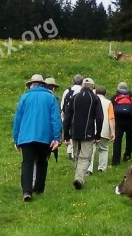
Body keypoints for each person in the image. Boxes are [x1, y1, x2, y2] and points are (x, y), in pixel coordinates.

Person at [12, 73, 62, 202]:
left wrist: (16, 138)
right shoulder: (50, 98)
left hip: (26, 137)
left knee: (27, 163)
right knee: (42, 162)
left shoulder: (24, 97)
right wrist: (56, 137)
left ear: (31, 85)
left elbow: (18, 119)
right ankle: (39, 189)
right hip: (44, 136)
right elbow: (55, 119)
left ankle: (27, 191)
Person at [63, 77, 103, 190]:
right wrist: (98, 134)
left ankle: (78, 177)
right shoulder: (94, 98)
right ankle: (79, 179)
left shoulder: (74, 98)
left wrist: (66, 135)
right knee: (85, 158)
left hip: (75, 133)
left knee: (76, 156)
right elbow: (99, 118)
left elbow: (67, 117)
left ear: (82, 86)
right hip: (88, 132)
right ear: (92, 87)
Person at [111, 81, 132, 165]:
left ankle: (116, 160)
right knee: (130, 139)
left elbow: (110, 110)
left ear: (118, 88)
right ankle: (127, 155)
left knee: (117, 141)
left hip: (118, 122)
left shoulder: (114, 98)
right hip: (130, 122)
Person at [87, 86, 115, 174]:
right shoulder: (108, 103)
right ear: (105, 94)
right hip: (104, 129)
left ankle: (89, 169)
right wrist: (113, 132)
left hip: (91, 128)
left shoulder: (91, 101)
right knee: (104, 149)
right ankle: (102, 168)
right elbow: (111, 118)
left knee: (91, 149)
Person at [59, 74, 83, 160]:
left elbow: (62, 104)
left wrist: (63, 116)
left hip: (68, 115)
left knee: (69, 131)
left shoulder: (67, 91)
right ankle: (76, 153)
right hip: (80, 117)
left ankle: (70, 150)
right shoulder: (83, 91)